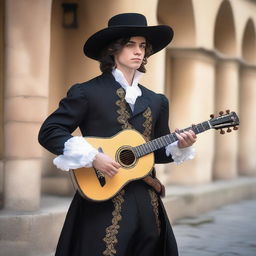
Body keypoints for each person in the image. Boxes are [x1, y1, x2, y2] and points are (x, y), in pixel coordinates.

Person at [38, 13, 197, 256]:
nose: (138, 51)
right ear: (114, 49)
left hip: (146, 203)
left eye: (142, 45)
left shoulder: (157, 101)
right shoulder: (86, 92)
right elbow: (50, 132)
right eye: (130, 44)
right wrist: (93, 157)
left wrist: (181, 146)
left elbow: (158, 153)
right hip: (100, 199)